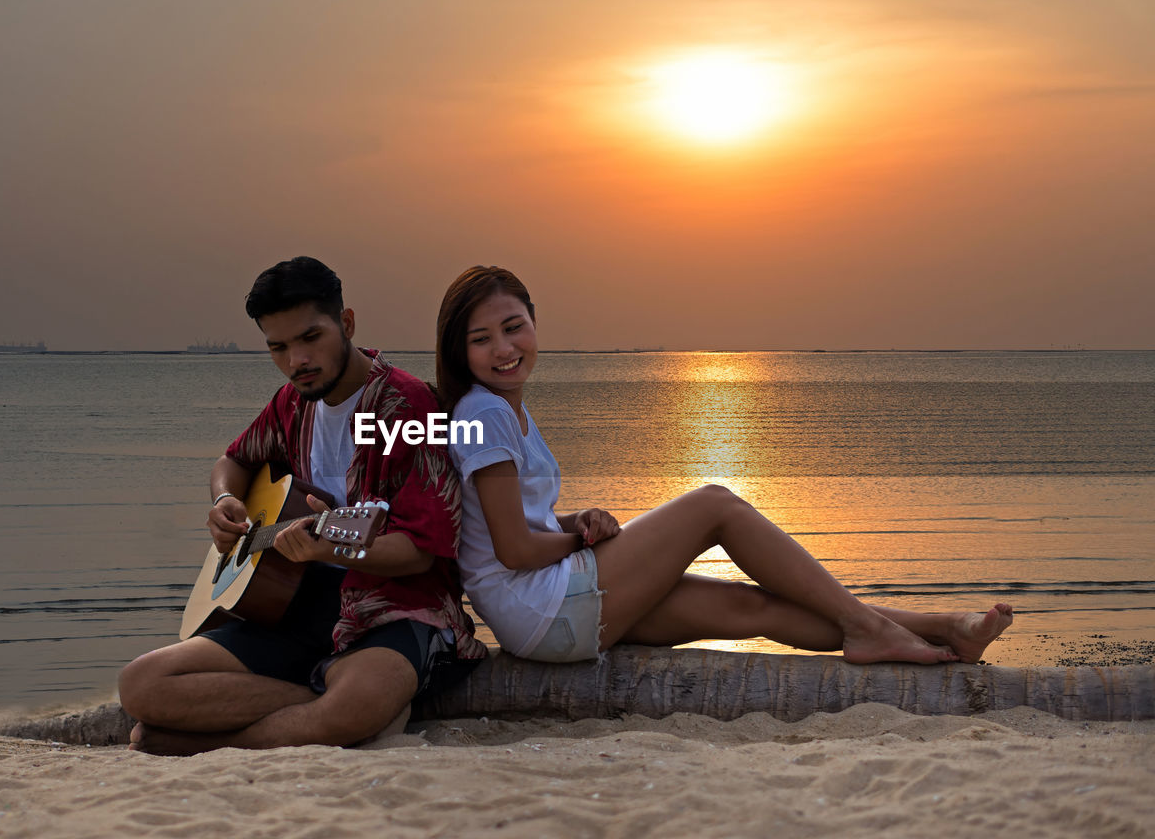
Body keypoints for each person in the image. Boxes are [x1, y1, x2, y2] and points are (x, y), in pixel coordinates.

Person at [435, 265, 1014, 665]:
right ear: (462, 353)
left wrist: (575, 521)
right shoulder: (483, 412)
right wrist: (584, 547)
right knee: (714, 503)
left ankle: (944, 630)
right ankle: (868, 627)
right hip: (544, 609)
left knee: (751, 606)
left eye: (514, 327)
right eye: (482, 339)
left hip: (546, 620)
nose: (504, 348)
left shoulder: (501, 411)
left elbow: (515, 525)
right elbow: (514, 551)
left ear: (535, 322)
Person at [119, 256, 486, 755]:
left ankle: (219, 736)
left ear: (347, 323)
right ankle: (321, 706)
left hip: (394, 611)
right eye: (279, 347)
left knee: (358, 699)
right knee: (142, 682)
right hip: (292, 608)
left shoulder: (408, 406)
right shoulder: (291, 405)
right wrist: (226, 500)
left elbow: (420, 552)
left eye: (310, 338)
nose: (297, 361)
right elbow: (234, 460)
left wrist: (331, 549)